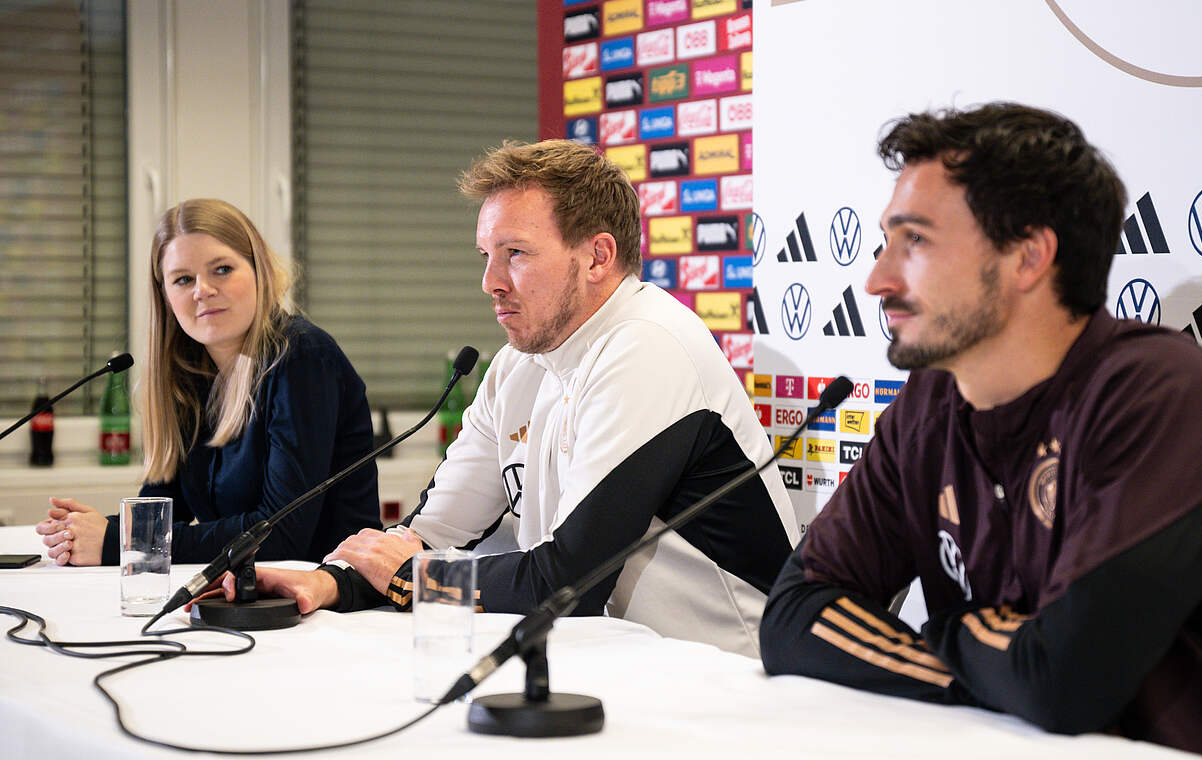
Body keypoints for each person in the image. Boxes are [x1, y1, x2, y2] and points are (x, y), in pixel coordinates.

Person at [757, 103, 1202, 759]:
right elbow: (792, 616)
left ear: (1028, 256)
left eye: (917, 241)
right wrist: (996, 657)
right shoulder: (931, 401)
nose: (877, 279)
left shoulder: (1159, 393)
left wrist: (951, 634)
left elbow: (1067, 680)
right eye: (886, 242)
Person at [216, 140, 796, 656]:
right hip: (607, 659)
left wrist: (415, 579)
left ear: (597, 256)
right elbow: (438, 529)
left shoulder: (648, 345)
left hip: (720, 669)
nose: (490, 280)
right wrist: (331, 582)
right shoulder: (518, 364)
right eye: (485, 255)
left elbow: (570, 581)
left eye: (515, 253)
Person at [35, 199, 380, 566]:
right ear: (166, 296)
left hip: (331, 602)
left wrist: (121, 541)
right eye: (183, 279)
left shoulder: (302, 355)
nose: (202, 290)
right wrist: (87, 532)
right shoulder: (189, 373)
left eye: (222, 269)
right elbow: (166, 510)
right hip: (248, 598)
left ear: (258, 270)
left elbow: (280, 537)